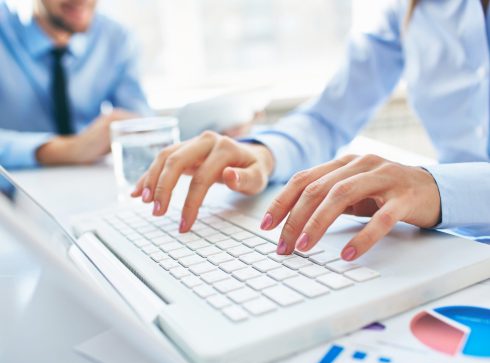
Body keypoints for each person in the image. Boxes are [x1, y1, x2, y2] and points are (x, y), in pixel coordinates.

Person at [132, 0, 490, 262]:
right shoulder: (414, 10)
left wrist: (435, 187)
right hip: (457, 253)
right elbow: (329, 117)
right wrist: (264, 153)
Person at [0, 0, 150, 169]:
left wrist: (133, 128)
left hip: (87, 178)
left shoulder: (115, 38)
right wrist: (67, 149)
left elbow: (144, 128)